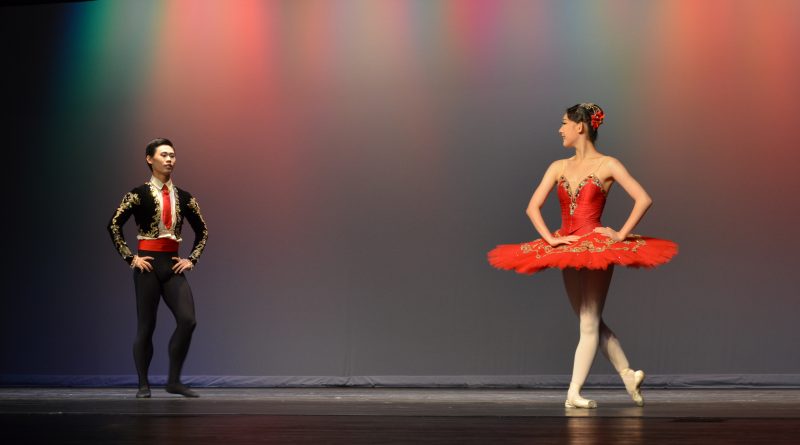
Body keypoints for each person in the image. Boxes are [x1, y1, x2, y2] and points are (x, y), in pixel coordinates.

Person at [488, 103, 677, 409]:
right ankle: (628, 374)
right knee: (589, 320)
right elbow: (531, 207)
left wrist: (619, 234)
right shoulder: (558, 167)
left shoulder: (608, 165)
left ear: (580, 126)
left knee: (588, 323)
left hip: (596, 249)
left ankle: (573, 393)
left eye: (564, 123)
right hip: (567, 246)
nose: (559, 129)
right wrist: (551, 239)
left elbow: (644, 199)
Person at [107, 138, 209, 398]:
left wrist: (192, 259)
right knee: (146, 326)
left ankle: (173, 381)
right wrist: (131, 258)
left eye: (173, 155)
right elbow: (114, 224)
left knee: (188, 320)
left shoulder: (185, 197)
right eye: (164, 155)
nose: (169, 159)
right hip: (147, 267)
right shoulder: (137, 195)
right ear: (149, 159)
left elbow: (203, 231)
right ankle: (143, 385)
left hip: (172, 266)